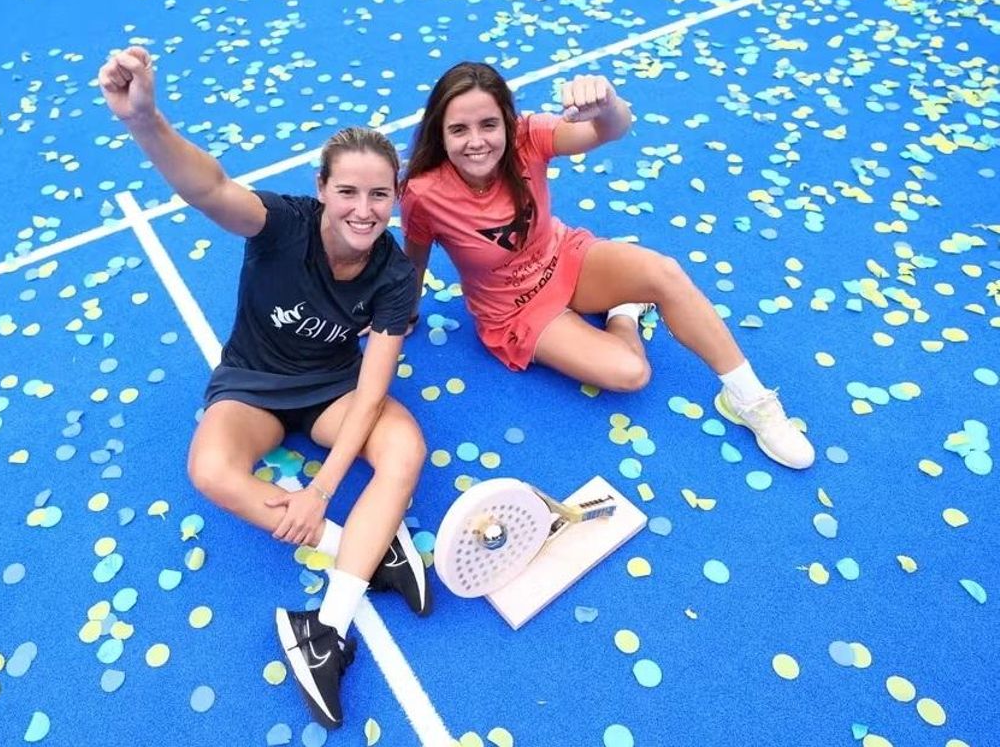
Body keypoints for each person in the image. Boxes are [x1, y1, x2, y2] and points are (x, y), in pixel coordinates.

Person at [98, 46, 431, 730]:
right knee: (210, 469)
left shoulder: (395, 274)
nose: (364, 209)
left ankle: (327, 628)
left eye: (379, 194)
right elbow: (208, 188)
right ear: (321, 189)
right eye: (348, 191)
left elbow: (371, 395)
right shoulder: (279, 225)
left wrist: (318, 490)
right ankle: (365, 544)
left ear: (393, 196)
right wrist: (146, 122)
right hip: (252, 387)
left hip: (334, 390)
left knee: (404, 447)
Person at [400, 61, 814, 469]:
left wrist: (608, 103)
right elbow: (414, 258)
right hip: (517, 312)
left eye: (488, 124)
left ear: (508, 122)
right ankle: (623, 314)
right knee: (631, 373)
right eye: (459, 129)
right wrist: (405, 313)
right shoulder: (424, 193)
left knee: (664, 272)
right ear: (440, 132)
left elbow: (610, 130)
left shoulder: (529, 136)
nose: (476, 141)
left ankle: (748, 399)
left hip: (565, 257)